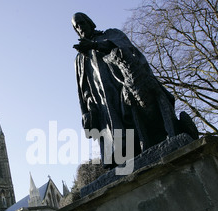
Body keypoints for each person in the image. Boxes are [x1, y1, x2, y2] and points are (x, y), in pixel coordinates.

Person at [72, 12, 198, 168]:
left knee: (135, 124)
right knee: (115, 138)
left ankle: (147, 146)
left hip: (123, 90)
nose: (80, 28)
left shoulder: (110, 34)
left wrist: (95, 46)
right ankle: (123, 161)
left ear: (90, 22)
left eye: (82, 23)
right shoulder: (80, 58)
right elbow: (83, 88)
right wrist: (86, 111)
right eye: (76, 27)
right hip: (101, 103)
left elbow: (124, 49)